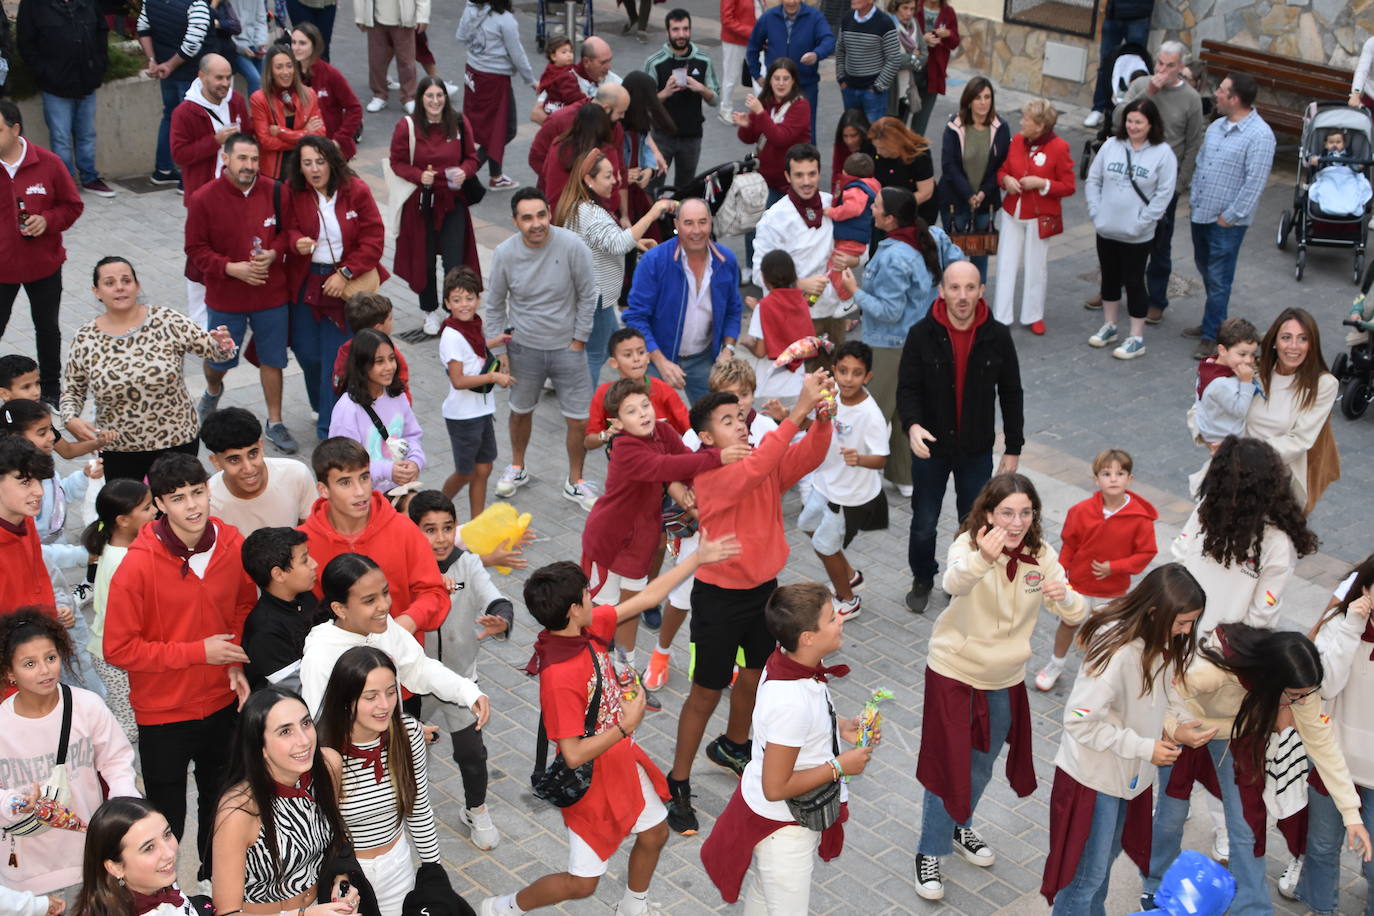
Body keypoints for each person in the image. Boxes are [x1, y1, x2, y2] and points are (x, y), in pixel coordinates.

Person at [478, 536, 737, 916]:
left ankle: (633, 907)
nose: (593, 599)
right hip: (593, 782)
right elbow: (572, 753)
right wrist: (625, 725)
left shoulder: (584, 629)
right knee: (582, 884)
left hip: (621, 761)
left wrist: (697, 557)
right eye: (586, 595)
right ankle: (503, 908)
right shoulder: (559, 677)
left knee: (654, 833)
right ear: (572, 610)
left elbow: (646, 599)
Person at [664, 373, 834, 835]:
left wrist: (820, 420)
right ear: (705, 437)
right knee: (705, 690)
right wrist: (797, 411)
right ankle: (677, 782)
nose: (739, 425)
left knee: (756, 677)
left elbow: (805, 456)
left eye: (741, 417)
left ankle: (734, 744)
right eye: (726, 420)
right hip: (719, 599)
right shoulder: (709, 473)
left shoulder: (761, 459)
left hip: (765, 592)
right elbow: (757, 471)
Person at [913, 473, 1085, 901]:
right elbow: (952, 583)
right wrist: (982, 560)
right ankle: (929, 851)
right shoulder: (968, 547)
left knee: (980, 765)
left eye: (1026, 512)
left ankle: (958, 824)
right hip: (954, 670)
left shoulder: (1040, 554)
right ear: (989, 513)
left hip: (1004, 678)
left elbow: (1077, 610)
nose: (1017, 521)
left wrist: (1064, 596)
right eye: (1007, 512)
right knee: (947, 764)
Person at [103, 451, 258, 882]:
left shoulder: (232, 542)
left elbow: (245, 603)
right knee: (165, 812)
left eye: (197, 492)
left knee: (221, 799)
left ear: (210, 491)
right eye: (177, 498)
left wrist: (233, 658)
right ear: (159, 505)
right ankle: (160, 889)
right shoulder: (135, 566)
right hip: (164, 714)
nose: (191, 506)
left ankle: (213, 878)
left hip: (223, 702)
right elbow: (119, 648)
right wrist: (198, 652)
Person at [1143, 624, 1373, 913]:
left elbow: (1324, 748)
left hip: (1239, 735)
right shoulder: (1211, 671)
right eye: (1294, 696)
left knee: (1247, 823)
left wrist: (1351, 815)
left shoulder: (1300, 688)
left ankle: (1252, 908)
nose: (1299, 703)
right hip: (1188, 723)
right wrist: (1175, 730)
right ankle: (1155, 886)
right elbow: (1159, 697)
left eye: (1306, 695)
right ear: (1271, 679)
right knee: (1172, 813)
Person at [700, 582, 876, 911]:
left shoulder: (786, 660)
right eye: (830, 618)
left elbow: (803, 724)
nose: (840, 618)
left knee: (765, 897)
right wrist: (840, 766)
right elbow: (775, 785)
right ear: (807, 637)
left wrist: (841, 727)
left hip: (782, 821)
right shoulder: (791, 701)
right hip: (785, 829)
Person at [1039, 565, 1204, 913]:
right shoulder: (1120, 652)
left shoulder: (1160, 640)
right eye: (1183, 622)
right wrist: (1144, 747)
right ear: (1156, 612)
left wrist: (1177, 727)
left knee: (1098, 874)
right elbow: (1079, 720)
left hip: (1125, 778)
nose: (1187, 631)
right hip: (1093, 779)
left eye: (1191, 622)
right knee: (1085, 879)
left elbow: (1162, 696)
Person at [582, 377, 739, 673]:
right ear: (616, 422)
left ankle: (625, 671)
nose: (643, 413)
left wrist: (694, 492)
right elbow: (664, 467)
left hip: (641, 541)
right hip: (608, 542)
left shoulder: (663, 431)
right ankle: (594, 673)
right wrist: (719, 456)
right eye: (632, 411)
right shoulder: (624, 447)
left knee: (630, 609)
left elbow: (685, 461)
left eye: (645, 405)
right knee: (602, 614)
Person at [896, 260, 1023, 615]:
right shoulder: (922, 333)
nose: (962, 296)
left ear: (981, 291)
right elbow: (908, 387)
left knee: (974, 521)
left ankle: (962, 579)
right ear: (942, 291)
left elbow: (1011, 392)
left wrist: (1013, 447)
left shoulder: (997, 335)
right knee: (924, 522)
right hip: (931, 449)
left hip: (975, 449)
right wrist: (912, 425)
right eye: (955, 288)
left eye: (970, 288)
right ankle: (922, 577)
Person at [0, 608, 138, 897]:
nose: (45, 669)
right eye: (29, 663)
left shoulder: (87, 706)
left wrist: (124, 803)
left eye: (51, 658)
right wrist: (13, 803)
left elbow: (116, 760)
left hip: (86, 859)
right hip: (26, 872)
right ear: (9, 672)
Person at [60, 257, 235, 483]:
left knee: (176, 511)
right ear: (97, 291)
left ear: (137, 285)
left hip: (176, 442)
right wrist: (69, 418)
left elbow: (216, 352)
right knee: (129, 515)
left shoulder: (166, 320)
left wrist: (222, 343)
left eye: (126, 280)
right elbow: (72, 391)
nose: (120, 287)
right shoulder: (85, 338)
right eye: (110, 282)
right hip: (119, 447)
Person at [483, 188, 601, 509]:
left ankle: (575, 481)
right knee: (520, 411)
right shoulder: (505, 253)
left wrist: (579, 339)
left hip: (569, 349)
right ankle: (518, 467)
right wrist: (500, 353)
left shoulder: (572, 246)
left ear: (549, 213)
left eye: (541, 215)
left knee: (578, 419)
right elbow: (493, 305)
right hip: (523, 349)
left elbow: (589, 294)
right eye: (527, 218)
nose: (537, 223)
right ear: (515, 221)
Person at [839, 187, 961, 495]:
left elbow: (889, 311)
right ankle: (905, 478)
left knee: (873, 412)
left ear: (891, 218)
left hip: (889, 345)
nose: (871, 209)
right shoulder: (932, 235)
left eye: (877, 206)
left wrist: (855, 291)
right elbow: (958, 264)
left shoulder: (894, 256)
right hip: (923, 339)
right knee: (906, 410)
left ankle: (862, 476)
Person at [408, 490, 512, 850]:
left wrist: (502, 618)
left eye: (447, 528)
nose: (440, 538)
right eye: (429, 529)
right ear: (412, 531)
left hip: (461, 680)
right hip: (411, 687)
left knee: (472, 754)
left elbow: (494, 596)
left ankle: (476, 810)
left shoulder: (467, 563)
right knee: (409, 755)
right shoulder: (402, 567)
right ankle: (403, 812)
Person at [185, 133, 298, 455]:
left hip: (271, 295)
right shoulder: (203, 198)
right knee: (220, 359)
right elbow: (194, 249)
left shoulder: (277, 191)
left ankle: (274, 422)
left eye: (254, 160)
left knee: (273, 360)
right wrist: (231, 268)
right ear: (225, 159)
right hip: (225, 298)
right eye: (242, 159)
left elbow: (290, 232)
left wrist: (275, 253)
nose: (249, 166)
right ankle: (212, 389)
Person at [210, 687, 364, 916]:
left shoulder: (328, 765)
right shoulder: (239, 811)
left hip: (319, 908)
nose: (303, 740)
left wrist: (342, 882)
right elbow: (227, 913)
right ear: (259, 746)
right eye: (285, 732)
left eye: (306, 723)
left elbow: (335, 841)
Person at [298, 437, 449, 667]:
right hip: (337, 674)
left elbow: (434, 592)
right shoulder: (304, 544)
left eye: (364, 477)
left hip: (402, 673)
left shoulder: (403, 529)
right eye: (345, 482)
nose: (360, 491)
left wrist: (407, 622)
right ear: (323, 490)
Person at [316, 647, 440, 916]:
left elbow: (418, 808)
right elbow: (320, 831)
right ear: (346, 700)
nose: (384, 705)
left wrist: (433, 869)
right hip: (347, 875)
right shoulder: (323, 753)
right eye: (370, 697)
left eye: (391, 692)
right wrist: (339, 875)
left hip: (398, 865)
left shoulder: (408, 734)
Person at [298, 552, 489, 722]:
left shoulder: (382, 627)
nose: (384, 606)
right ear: (339, 609)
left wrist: (466, 692)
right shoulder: (321, 657)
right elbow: (321, 723)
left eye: (385, 593)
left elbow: (417, 668)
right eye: (370, 600)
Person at [283, 135, 388, 438]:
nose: (315, 169)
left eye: (320, 161)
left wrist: (346, 272)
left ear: (332, 162)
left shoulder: (355, 190)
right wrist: (295, 241)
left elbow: (374, 237)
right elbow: (286, 228)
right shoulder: (293, 191)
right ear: (299, 167)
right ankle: (322, 404)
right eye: (307, 163)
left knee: (334, 357)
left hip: (345, 281)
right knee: (306, 352)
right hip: (307, 280)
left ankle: (330, 429)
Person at [1033, 448, 1158, 692]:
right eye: (1106, 473)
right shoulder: (1080, 511)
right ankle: (1056, 664)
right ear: (1095, 479)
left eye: (1120, 473)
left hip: (1112, 591)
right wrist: (1062, 577)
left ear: (1129, 479)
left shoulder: (1140, 519)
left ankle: (1095, 669)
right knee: (1069, 624)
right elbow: (1069, 545)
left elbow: (1146, 553)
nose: (1113, 478)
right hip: (1078, 585)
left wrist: (1115, 567)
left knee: (1104, 632)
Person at [1098, 40, 1203, 324]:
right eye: (1159, 63)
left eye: (1170, 66)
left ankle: (1156, 299)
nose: (1162, 70)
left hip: (1161, 186)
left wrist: (1180, 184)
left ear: (1181, 68)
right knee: (1116, 238)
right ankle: (1111, 290)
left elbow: (1194, 144)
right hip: (1126, 178)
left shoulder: (1191, 99)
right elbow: (1119, 117)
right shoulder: (1142, 85)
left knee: (1158, 245)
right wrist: (1149, 91)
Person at [1172, 436, 1316, 637]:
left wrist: (1218, 646)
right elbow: (1180, 556)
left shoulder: (1278, 544)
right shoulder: (1208, 508)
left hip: (1222, 651)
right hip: (1179, 632)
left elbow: (1260, 615)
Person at [556, 150, 676, 388]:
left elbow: (603, 240)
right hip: (596, 297)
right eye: (608, 176)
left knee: (609, 347)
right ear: (589, 180)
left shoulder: (580, 207)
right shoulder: (591, 213)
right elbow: (617, 243)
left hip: (592, 295)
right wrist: (653, 213)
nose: (615, 181)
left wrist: (636, 242)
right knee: (593, 355)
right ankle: (583, 411)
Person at [1296, 558, 1374, 914]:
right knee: (1323, 846)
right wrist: (1352, 626)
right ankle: (1320, 908)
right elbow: (1327, 685)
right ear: (1365, 589)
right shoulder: (1340, 626)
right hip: (1335, 758)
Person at [1184, 73, 1274, 360]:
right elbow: (1201, 165)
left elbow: (1254, 184)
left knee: (1220, 278)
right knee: (1205, 268)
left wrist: (1230, 216)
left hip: (1227, 222)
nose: (1216, 95)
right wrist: (1195, 199)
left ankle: (1213, 336)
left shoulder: (1260, 136)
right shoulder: (1217, 127)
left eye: (1221, 91)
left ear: (1235, 99)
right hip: (1201, 213)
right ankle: (1215, 319)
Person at [797, 341, 889, 619]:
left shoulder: (871, 414)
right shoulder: (831, 395)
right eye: (844, 371)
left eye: (857, 373)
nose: (849, 379)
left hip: (847, 496)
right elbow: (817, 425)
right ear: (834, 369)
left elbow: (882, 458)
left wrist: (858, 458)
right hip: (824, 484)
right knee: (807, 525)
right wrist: (787, 416)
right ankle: (848, 574)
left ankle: (848, 601)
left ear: (868, 376)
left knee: (825, 547)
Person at [0, 100, 83, 406]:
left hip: (44, 266)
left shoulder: (48, 163)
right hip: (1, 270)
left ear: (15, 129)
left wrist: (47, 221)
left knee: (47, 328)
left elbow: (73, 206)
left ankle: (50, 390)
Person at [1084, 96, 1177, 361]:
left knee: (1135, 281)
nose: (1133, 126)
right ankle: (1110, 326)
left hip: (1138, 234)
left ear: (1151, 124)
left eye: (1139, 122)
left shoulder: (1163, 154)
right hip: (1107, 228)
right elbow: (1094, 180)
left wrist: (1143, 221)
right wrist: (1095, 212)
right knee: (1109, 278)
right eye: (1129, 121)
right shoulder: (1112, 145)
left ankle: (1137, 337)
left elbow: (1163, 194)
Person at [624, 198, 743, 404]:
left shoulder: (726, 260)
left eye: (702, 222)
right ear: (676, 225)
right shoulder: (654, 261)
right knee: (648, 426)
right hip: (655, 357)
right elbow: (635, 317)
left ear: (711, 223)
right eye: (688, 223)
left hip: (704, 359)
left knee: (715, 421)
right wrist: (660, 362)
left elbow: (734, 309)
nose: (696, 230)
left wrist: (728, 349)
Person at [389, 78, 482, 338]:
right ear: (420, 98)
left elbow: (472, 159)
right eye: (429, 96)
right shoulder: (406, 126)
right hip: (421, 205)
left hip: (452, 202)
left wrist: (464, 171)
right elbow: (397, 162)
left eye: (439, 95)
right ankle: (429, 311)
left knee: (455, 261)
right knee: (424, 260)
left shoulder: (459, 122)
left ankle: (454, 309)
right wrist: (419, 176)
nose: (435, 101)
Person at [16, 0, 115, 198]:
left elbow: (101, 32)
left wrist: (99, 65)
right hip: (55, 84)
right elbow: (26, 42)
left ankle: (89, 178)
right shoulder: (33, 5)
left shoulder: (87, 3)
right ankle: (65, 182)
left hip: (86, 80)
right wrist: (44, 72)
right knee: (60, 137)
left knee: (87, 134)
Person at [82, 478, 155, 742]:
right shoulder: (124, 561)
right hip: (114, 655)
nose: (155, 510)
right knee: (128, 723)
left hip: (114, 649)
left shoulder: (120, 548)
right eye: (147, 508)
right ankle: (117, 771)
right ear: (123, 520)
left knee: (126, 710)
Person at [992, 98, 1073, 334]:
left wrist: (1042, 183)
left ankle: (1033, 315)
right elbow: (1003, 169)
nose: (1021, 122)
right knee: (1006, 263)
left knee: (1036, 266)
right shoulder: (1017, 140)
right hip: (1012, 211)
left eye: (1026, 119)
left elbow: (1068, 186)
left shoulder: (1059, 147)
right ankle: (1001, 315)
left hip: (1040, 216)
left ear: (1040, 126)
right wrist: (1006, 180)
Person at [1247, 307, 1338, 512]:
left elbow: (1300, 439)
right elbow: (1212, 405)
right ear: (1274, 342)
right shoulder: (1254, 371)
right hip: (1232, 471)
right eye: (1286, 337)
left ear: (1312, 344)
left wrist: (1249, 458)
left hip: (1276, 478)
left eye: (1303, 338)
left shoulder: (1323, 385)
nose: (1294, 346)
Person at [750, 144, 843, 343]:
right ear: (787, 176)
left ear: (819, 173)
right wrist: (798, 284)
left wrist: (852, 259)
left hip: (834, 311)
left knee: (835, 372)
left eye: (812, 174)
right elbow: (760, 274)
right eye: (799, 175)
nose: (807, 182)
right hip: (793, 315)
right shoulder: (774, 218)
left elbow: (858, 248)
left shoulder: (833, 206)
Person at [437, 267, 511, 515]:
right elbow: (458, 380)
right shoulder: (452, 335)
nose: (464, 305)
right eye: (457, 300)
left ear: (478, 299)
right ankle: (431, 510)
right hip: (463, 415)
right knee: (466, 471)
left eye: (469, 298)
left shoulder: (471, 327)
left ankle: (477, 522)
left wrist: (496, 341)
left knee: (484, 468)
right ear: (447, 303)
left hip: (481, 410)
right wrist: (494, 376)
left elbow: (474, 351)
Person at [328, 329, 425, 496]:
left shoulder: (397, 395)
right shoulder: (347, 410)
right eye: (379, 361)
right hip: (364, 499)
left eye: (392, 358)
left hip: (399, 492)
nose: (389, 367)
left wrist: (415, 461)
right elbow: (343, 464)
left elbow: (412, 435)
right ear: (362, 365)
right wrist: (387, 470)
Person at [203, 400, 317, 533]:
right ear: (216, 461)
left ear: (261, 447)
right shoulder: (207, 503)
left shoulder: (296, 474)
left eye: (253, 454)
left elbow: (312, 531)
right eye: (234, 460)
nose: (249, 469)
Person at [936, 76, 1009, 282]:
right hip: (955, 200)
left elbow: (1001, 165)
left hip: (986, 201)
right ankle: (950, 298)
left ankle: (978, 302)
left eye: (987, 97)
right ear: (969, 100)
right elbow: (949, 165)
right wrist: (969, 194)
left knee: (980, 255)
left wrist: (983, 192)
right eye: (978, 97)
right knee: (952, 257)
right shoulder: (954, 125)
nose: (983, 102)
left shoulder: (1000, 127)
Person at [71, 798, 198, 916]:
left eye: (167, 834)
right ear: (116, 868)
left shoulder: (154, 883)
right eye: (149, 848)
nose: (169, 853)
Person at [456, 0, 534, 192]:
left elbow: (461, 36)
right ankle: (465, 173)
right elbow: (517, 54)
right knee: (505, 129)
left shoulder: (471, 9)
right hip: (495, 79)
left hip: (473, 75)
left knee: (485, 129)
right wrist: (530, 79)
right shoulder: (505, 20)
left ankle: (496, 175)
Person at [138, 0, 212, 186]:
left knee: (170, 116)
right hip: (188, 73)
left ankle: (163, 169)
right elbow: (193, 43)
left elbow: (143, 29)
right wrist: (169, 65)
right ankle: (188, 179)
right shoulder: (196, 4)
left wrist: (153, 61)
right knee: (192, 124)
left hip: (166, 70)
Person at [240, 526, 320, 692]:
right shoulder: (265, 631)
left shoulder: (305, 597)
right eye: (305, 560)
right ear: (279, 574)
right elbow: (300, 689)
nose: (315, 564)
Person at [645, 9, 718, 189]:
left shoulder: (703, 60)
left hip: (692, 137)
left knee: (685, 189)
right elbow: (645, 105)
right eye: (676, 30)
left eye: (685, 29)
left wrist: (701, 89)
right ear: (667, 32)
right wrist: (665, 92)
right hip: (662, 137)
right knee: (654, 187)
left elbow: (715, 99)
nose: (681, 35)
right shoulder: (654, 62)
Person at [585, 327, 692, 450]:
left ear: (647, 357)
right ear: (614, 362)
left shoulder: (664, 390)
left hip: (664, 462)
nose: (636, 359)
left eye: (641, 352)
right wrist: (605, 435)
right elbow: (589, 442)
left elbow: (689, 431)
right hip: (625, 463)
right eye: (628, 355)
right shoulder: (603, 394)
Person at [745, 0, 834, 141]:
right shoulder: (769, 17)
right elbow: (753, 47)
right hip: (776, 87)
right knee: (773, 126)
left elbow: (828, 40)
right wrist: (757, 75)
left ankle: (807, 160)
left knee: (807, 131)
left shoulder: (814, 16)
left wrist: (817, 54)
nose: (791, 2)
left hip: (805, 85)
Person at [742, 248, 817, 402]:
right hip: (797, 384)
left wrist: (747, 343)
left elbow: (761, 351)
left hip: (770, 387)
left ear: (764, 278)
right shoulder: (801, 301)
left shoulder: (763, 307)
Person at [0, 437, 58, 615]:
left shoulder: (24, 519)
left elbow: (38, 578)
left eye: (39, 480)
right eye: (25, 482)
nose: (40, 491)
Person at [250, 46, 323, 180]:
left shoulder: (309, 94)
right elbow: (265, 141)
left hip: (305, 169)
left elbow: (319, 134)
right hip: (273, 174)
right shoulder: (259, 99)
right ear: (270, 71)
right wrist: (305, 134)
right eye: (279, 67)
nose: (285, 72)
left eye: (289, 66)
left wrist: (280, 132)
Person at [291, 24, 362, 161]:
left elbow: (355, 108)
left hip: (331, 149)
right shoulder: (289, 73)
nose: (296, 48)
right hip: (301, 147)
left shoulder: (330, 74)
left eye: (302, 43)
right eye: (294, 42)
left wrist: (339, 140)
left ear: (314, 45)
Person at [1083, 0, 1154, 129]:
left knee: (1136, 67)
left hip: (1139, 15)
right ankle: (1098, 109)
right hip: (1113, 13)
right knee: (1106, 64)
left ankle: (1133, 111)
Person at [1191, 316, 1260, 446]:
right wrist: (1246, 382)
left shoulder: (1209, 364)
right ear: (1222, 350)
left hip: (1213, 429)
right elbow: (1240, 411)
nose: (1249, 360)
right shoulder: (1221, 384)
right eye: (1242, 354)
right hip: (1227, 440)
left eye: (1252, 354)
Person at [332, 294, 411, 400]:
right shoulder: (390, 353)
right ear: (378, 328)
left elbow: (338, 383)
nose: (392, 322)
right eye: (390, 319)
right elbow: (402, 385)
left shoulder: (346, 350)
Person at [825, 152, 881, 299]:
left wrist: (833, 212)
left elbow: (853, 208)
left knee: (836, 268)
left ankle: (847, 298)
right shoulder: (871, 186)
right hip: (856, 237)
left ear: (845, 173)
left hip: (850, 237)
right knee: (838, 267)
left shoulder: (855, 189)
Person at [836, 0, 901, 125]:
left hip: (873, 93)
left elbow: (893, 59)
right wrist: (841, 79)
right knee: (852, 133)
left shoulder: (885, 22)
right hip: (849, 89)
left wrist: (877, 87)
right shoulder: (847, 18)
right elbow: (840, 50)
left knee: (873, 138)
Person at [356, 0, 426, 114]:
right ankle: (379, 94)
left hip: (404, 18)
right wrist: (360, 16)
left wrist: (423, 16)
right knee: (376, 60)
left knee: (407, 61)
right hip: (375, 18)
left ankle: (408, 96)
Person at [868, 115, 936, 228]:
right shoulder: (876, 151)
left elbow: (925, 193)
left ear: (896, 143)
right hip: (885, 213)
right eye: (876, 147)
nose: (878, 152)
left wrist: (895, 209)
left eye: (883, 148)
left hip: (915, 213)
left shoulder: (919, 156)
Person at [909, 0, 958, 136]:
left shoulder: (948, 12)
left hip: (934, 73)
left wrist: (947, 33)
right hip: (911, 70)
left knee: (920, 124)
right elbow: (902, 35)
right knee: (900, 118)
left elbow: (955, 42)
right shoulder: (914, 6)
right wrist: (921, 39)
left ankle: (914, 155)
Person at [718, 0, 763, 123]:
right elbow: (726, 19)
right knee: (731, 77)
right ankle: (725, 109)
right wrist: (751, 32)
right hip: (734, 40)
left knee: (760, 75)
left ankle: (761, 111)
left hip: (756, 39)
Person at [532, 36, 577, 124]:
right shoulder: (564, 75)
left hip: (550, 107)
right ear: (553, 56)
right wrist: (585, 99)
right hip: (560, 109)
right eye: (564, 52)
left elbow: (544, 81)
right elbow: (572, 95)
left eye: (571, 52)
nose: (569, 55)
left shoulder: (550, 70)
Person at [831, 107, 876, 191]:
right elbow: (837, 175)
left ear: (863, 133)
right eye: (845, 136)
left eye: (853, 136)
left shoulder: (874, 147)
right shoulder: (840, 145)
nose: (849, 141)